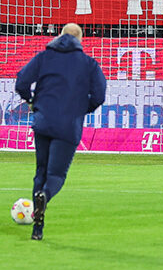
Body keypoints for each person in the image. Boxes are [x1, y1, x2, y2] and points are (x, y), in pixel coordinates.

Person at [14, 23, 107, 240]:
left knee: (41, 172)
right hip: (68, 125)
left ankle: (37, 228)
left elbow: (22, 81)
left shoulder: (44, 57)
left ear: (60, 36)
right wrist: (82, 109)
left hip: (43, 121)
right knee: (56, 175)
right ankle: (45, 197)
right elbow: (100, 95)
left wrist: (31, 100)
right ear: (80, 40)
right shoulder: (88, 64)